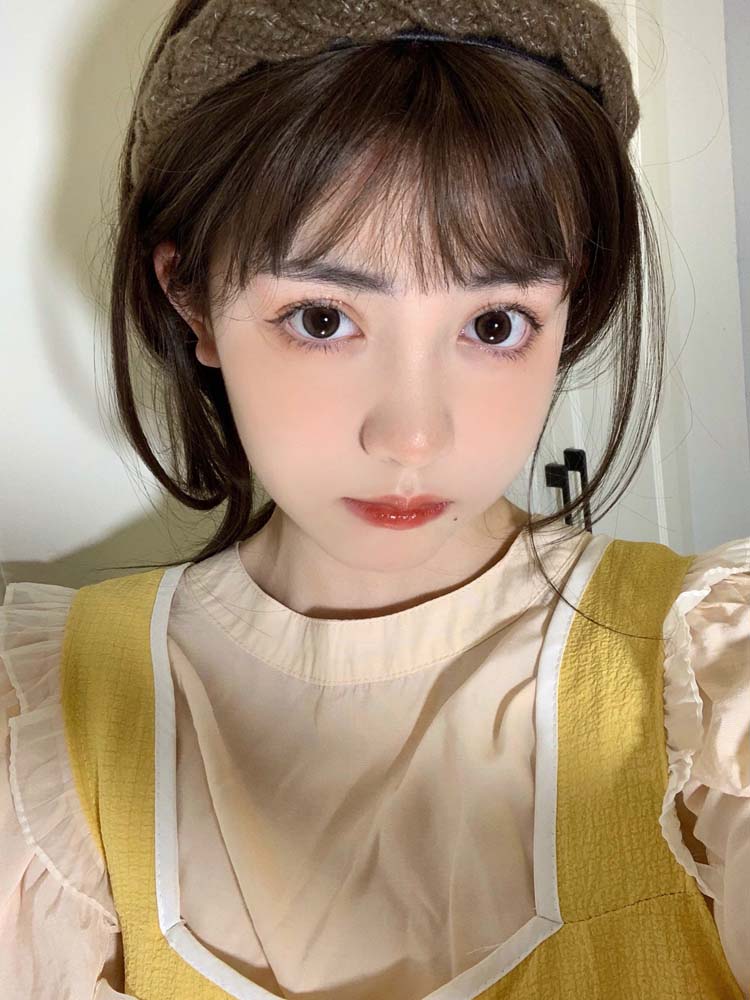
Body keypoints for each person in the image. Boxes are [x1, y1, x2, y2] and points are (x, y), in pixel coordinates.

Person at [1, 1, 748, 997]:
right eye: (322, 318)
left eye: (494, 323)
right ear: (192, 297)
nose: (412, 436)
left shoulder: (709, 692)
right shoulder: (51, 725)